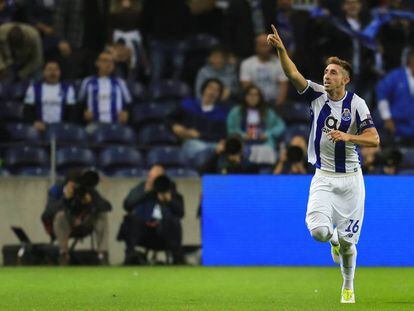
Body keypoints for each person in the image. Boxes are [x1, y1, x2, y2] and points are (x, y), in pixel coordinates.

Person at [267, 24, 380, 303]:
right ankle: (332, 239)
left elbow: (374, 139)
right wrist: (282, 50)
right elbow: (293, 75)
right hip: (324, 177)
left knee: (349, 244)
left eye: (333, 72)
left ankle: (348, 285)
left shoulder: (357, 104)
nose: (326, 75)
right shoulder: (317, 95)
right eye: (326, 71)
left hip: (352, 180)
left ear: (345, 79)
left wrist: (347, 137)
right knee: (319, 232)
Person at [41, 170, 112, 265]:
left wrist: (91, 203)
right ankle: (63, 255)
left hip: (84, 225)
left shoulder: (87, 190)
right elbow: (48, 213)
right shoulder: (57, 190)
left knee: (101, 214)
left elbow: (107, 206)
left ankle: (102, 255)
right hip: (66, 225)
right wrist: (65, 199)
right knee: (60, 215)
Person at [118, 171, 185, 265]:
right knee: (131, 219)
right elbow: (127, 205)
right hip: (143, 231)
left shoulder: (171, 190)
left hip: (164, 233)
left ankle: (177, 259)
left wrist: (169, 200)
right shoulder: (142, 189)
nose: (154, 181)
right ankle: (131, 258)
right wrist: (145, 192)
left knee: (173, 221)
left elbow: (181, 213)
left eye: (157, 178)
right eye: (152, 177)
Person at [169, 78, 229, 163]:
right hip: (191, 144)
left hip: (211, 145)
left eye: (217, 90)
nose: (212, 92)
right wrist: (174, 126)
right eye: (210, 88)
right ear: (203, 89)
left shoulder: (221, 114)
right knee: (197, 147)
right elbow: (169, 118)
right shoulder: (188, 104)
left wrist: (199, 135)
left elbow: (221, 136)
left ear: (219, 95)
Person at [227, 85, 285, 164]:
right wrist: (243, 135)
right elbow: (231, 129)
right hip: (244, 144)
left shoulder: (268, 112)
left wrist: (267, 134)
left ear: (260, 97)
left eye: (256, 95)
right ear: (245, 96)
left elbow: (281, 126)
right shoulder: (236, 112)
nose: (253, 97)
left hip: (264, 143)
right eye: (250, 94)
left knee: (270, 157)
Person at [79, 51, 132, 126]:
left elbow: (129, 104)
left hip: (116, 125)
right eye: (105, 61)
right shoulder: (88, 82)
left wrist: (126, 114)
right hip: (94, 125)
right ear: (97, 63)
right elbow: (80, 104)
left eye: (111, 62)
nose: (109, 64)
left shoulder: (120, 83)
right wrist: (84, 114)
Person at [23, 61, 77, 131]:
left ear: (60, 72)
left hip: (61, 129)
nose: (53, 73)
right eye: (49, 70)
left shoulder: (68, 89)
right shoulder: (34, 88)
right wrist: (34, 123)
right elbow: (27, 111)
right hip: (40, 129)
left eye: (55, 70)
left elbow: (72, 112)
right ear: (43, 72)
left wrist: (65, 125)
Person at [376, 49, 414, 145]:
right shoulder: (396, 76)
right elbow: (382, 94)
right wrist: (387, 117)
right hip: (394, 124)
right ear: (411, 62)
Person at [240, 34, 288, 106]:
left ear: (271, 45)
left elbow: (284, 87)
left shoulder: (280, 63)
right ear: (256, 47)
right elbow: (247, 88)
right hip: (254, 102)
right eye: (261, 45)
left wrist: (278, 105)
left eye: (266, 45)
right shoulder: (246, 64)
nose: (264, 49)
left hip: (274, 103)